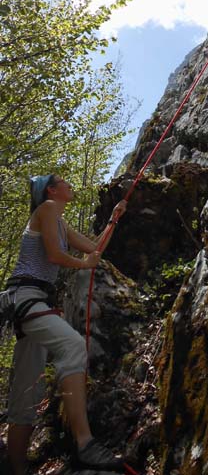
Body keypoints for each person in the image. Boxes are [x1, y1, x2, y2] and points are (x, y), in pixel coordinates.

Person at [5, 174, 127, 474]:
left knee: (26, 390)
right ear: (51, 190)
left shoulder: (60, 222)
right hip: (26, 297)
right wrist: (83, 264)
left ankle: (14, 466)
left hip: (31, 302)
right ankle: (85, 443)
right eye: (65, 183)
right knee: (73, 346)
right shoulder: (46, 208)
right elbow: (55, 255)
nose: (70, 186)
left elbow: (94, 251)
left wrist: (113, 220)